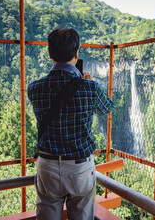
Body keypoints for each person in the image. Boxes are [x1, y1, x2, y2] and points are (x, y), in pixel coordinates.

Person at [28, 25, 113, 220]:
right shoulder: (89, 88)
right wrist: (91, 83)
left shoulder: (34, 88)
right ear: (77, 53)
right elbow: (106, 108)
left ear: (50, 54)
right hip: (79, 167)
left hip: (47, 165)